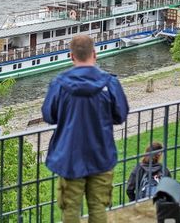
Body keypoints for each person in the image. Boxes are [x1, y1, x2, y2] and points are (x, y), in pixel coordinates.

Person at [42, 34, 129, 223]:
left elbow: (49, 115)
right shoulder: (109, 83)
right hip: (101, 151)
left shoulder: (60, 84)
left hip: (70, 155)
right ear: (94, 54)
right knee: (98, 206)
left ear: (71, 56)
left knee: (70, 208)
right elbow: (120, 114)